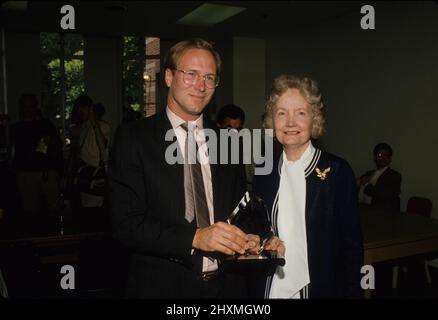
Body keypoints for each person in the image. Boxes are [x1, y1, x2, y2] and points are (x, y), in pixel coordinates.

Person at [108, 38, 258, 298]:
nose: (201, 86)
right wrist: (194, 237)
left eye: (209, 78)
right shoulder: (134, 138)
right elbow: (126, 224)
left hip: (227, 289)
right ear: (168, 77)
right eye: (191, 74)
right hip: (162, 286)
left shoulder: (228, 141)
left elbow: (239, 209)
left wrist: (251, 236)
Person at [253, 74, 364, 299]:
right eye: (281, 113)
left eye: (300, 113)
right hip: (271, 286)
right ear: (271, 120)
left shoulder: (338, 171)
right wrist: (265, 239)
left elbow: (351, 246)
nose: (290, 122)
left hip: (321, 289)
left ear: (314, 119)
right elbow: (256, 224)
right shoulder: (264, 170)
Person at [9, 94, 63, 214]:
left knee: (53, 210)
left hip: (46, 174)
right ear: (20, 108)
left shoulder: (45, 125)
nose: (28, 109)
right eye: (25, 106)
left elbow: (56, 147)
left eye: (31, 106)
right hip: (26, 175)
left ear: (35, 107)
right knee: (29, 212)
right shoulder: (15, 128)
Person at [68, 95, 111, 209]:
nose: (81, 111)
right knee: (84, 207)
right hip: (84, 172)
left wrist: (94, 123)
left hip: (97, 173)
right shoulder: (83, 127)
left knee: (94, 209)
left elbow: (103, 146)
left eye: (84, 108)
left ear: (91, 108)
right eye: (79, 108)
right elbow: (72, 134)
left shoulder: (103, 126)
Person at [357, 143, 402, 213]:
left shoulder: (394, 176)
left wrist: (366, 184)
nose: (383, 158)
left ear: (390, 159)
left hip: (381, 214)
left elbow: (385, 195)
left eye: (386, 156)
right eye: (380, 155)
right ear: (375, 158)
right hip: (361, 210)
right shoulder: (369, 173)